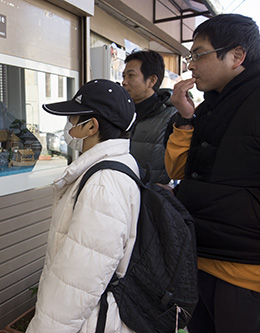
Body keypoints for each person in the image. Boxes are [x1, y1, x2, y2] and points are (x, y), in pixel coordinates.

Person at [165, 14, 260, 332]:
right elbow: (177, 169)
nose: (190, 65)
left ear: (236, 56)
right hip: (201, 257)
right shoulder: (209, 106)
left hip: (246, 272)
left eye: (198, 54)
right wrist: (186, 118)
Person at [26, 79, 140, 332]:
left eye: (73, 119)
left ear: (92, 126)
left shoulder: (103, 183)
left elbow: (79, 279)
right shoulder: (118, 164)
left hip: (91, 321)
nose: (69, 127)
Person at [122, 50, 177, 184]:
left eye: (131, 76)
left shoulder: (172, 116)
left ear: (151, 80)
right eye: (123, 76)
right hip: (120, 192)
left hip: (151, 198)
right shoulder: (122, 112)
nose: (124, 82)